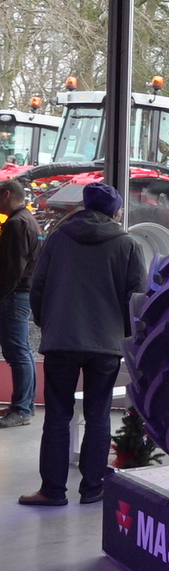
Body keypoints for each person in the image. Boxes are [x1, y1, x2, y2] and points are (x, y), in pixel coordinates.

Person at [19, 183, 145, 506]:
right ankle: (93, 488)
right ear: (114, 211)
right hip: (105, 344)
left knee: (57, 415)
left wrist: (48, 323)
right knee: (99, 414)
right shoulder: (128, 245)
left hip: (61, 340)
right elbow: (136, 299)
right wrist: (124, 334)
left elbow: (37, 287)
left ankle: (52, 491)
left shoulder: (59, 238)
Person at [0, 178, 41, 428]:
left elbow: (13, 268)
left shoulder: (16, 224)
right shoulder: (27, 220)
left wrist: (2, 293)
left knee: (17, 353)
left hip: (14, 295)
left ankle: (21, 408)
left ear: (6, 195)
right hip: (22, 294)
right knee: (22, 351)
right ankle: (25, 405)